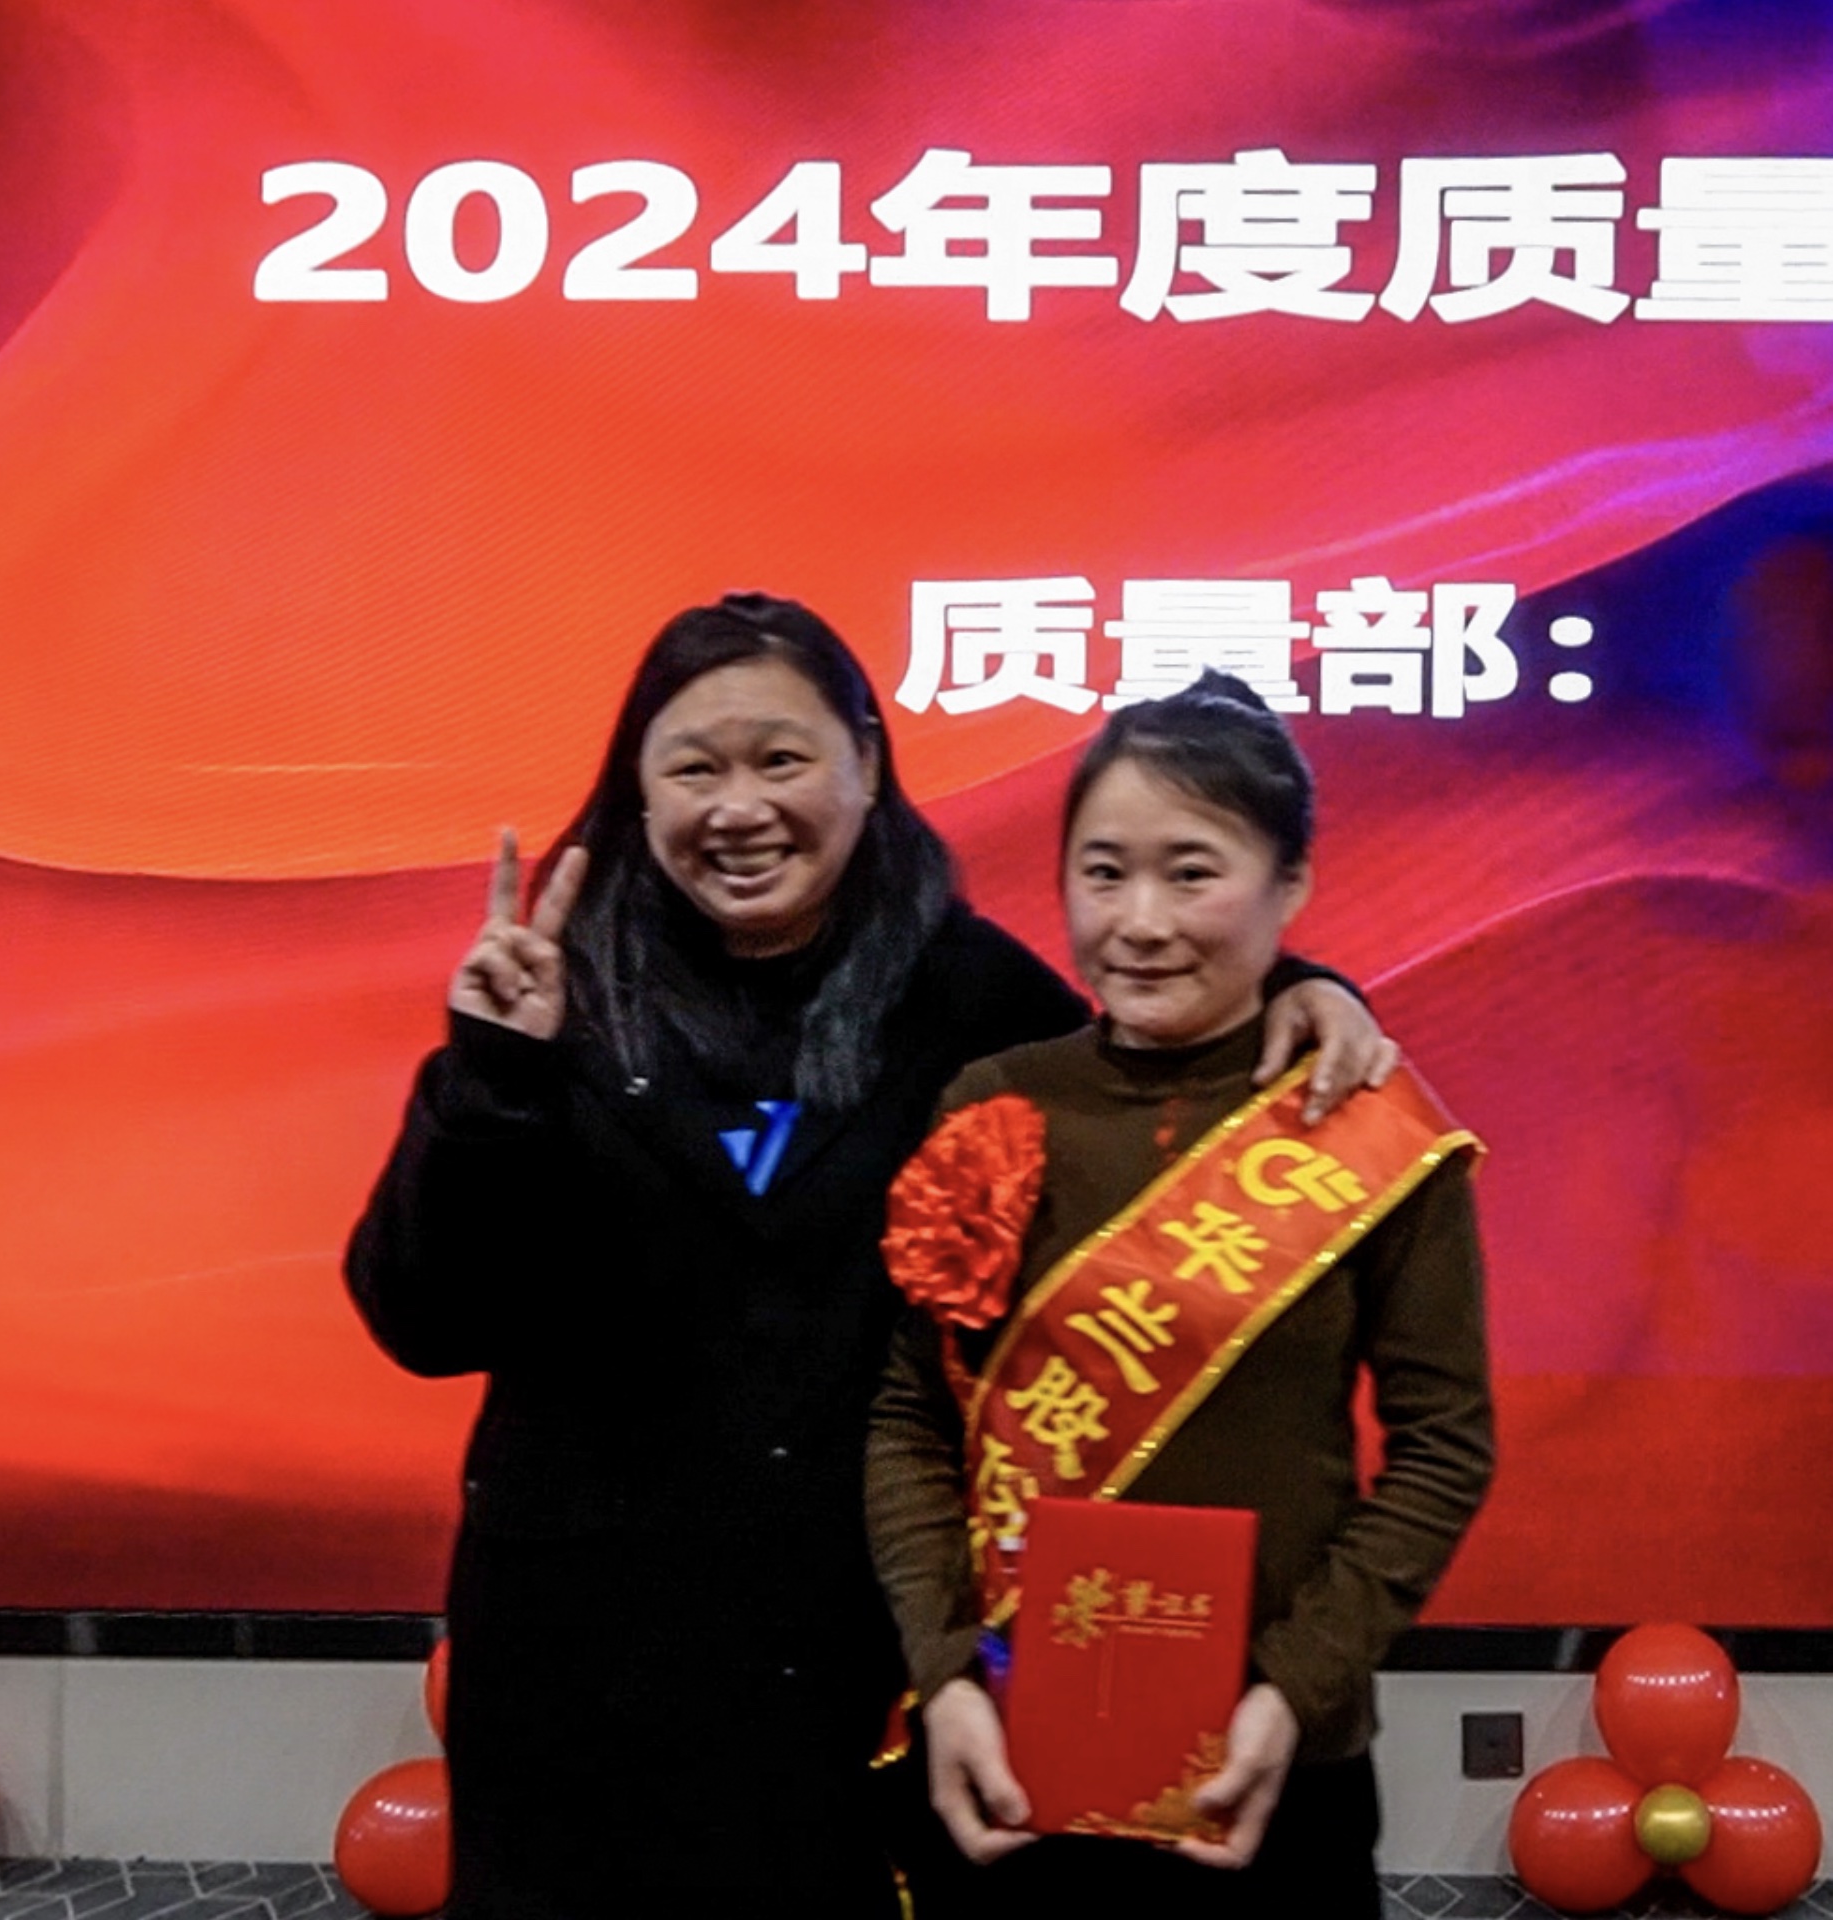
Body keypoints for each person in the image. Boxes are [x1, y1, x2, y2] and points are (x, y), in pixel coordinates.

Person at [341, 596, 1398, 1920]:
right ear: (638, 788)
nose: (740, 807)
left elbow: (1151, 1070)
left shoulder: (969, 997)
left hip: (869, 1655)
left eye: (780, 759)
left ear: (867, 763)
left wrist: (1308, 992)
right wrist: (490, 1080)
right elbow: (422, 1320)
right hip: (590, 1653)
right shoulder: (557, 985)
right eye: (694, 767)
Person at [868, 671, 1496, 1920]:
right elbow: (908, 1421)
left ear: (1290, 884)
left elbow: (1444, 1447)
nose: (1139, 922)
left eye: (1192, 872)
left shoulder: (1365, 1128)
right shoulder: (993, 1100)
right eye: (1103, 873)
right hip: (1006, 1745)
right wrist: (945, 1675)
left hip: (1274, 1763)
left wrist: (1293, 1690)